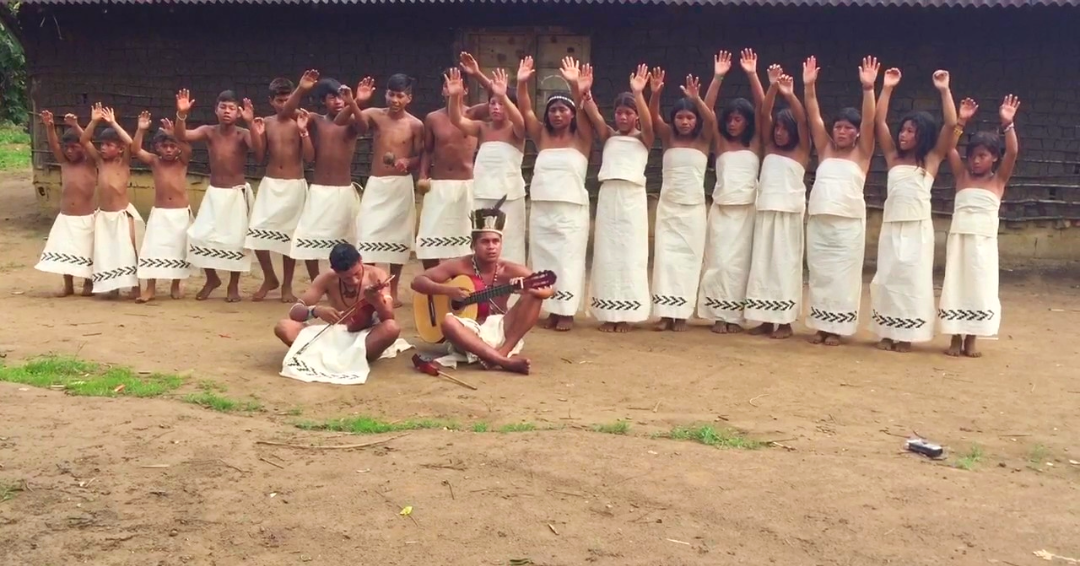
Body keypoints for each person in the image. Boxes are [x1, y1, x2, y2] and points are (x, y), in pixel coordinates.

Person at [870, 68, 958, 352]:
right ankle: (887, 332)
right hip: (891, 227)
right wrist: (886, 88)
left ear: (923, 136)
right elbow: (878, 121)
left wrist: (944, 90)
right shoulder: (892, 157)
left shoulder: (931, 159)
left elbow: (951, 124)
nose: (903, 135)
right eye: (903, 129)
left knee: (911, 280)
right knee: (888, 278)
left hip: (917, 229)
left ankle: (906, 335)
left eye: (911, 131)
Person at [410, 204, 552, 374]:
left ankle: (502, 353)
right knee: (448, 323)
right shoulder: (460, 265)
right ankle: (503, 361)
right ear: (473, 245)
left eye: (496, 241)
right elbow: (417, 282)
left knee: (534, 296)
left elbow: (549, 290)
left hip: (501, 330)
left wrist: (527, 290)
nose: (491, 246)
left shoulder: (509, 269)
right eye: (485, 241)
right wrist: (448, 291)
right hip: (468, 333)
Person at [802, 55, 879, 345]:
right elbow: (814, 116)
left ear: (857, 133)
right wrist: (809, 87)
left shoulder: (863, 152)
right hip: (820, 223)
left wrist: (868, 89)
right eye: (838, 127)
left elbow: (870, 120)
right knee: (820, 275)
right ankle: (821, 326)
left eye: (848, 128)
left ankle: (837, 329)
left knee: (843, 277)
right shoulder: (824, 148)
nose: (842, 131)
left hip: (848, 227)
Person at [517, 56, 595, 331]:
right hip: (542, 209)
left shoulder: (582, 138)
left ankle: (566, 313)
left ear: (572, 114)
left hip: (570, 211)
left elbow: (585, 111)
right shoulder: (541, 136)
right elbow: (526, 110)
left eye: (563, 110)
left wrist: (575, 85)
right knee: (543, 260)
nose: (557, 114)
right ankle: (550, 308)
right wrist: (521, 83)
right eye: (552, 110)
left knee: (568, 260)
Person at [939, 95, 1019, 358]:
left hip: (983, 244)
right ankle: (955, 336)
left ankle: (971, 338)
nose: (975, 161)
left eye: (982, 156)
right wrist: (961, 122)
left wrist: (1008, 124)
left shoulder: (998, 180)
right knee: (957, 285)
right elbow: (950, 149)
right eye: (972, 156)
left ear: (994, 158)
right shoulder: (962, 175)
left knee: (979, 287)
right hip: (960, 242)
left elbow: (1013, 152)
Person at [580, 64, 654, 332]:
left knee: (630, 255)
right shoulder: (608, 135)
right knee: (607, 255)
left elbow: (649, 122)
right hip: (609, 199)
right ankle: (608, 313)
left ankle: (626, 316)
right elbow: (594, 114)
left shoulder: (644, 138)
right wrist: (585, 93)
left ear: (636, 116)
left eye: (628, 113)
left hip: (632, 200)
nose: (622, 117)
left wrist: (639, 93)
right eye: (619, 112)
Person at [340, 73, 425, 306]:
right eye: (391, 94)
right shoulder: (375, 115)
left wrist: (408, 161)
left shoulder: (415, 125)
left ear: (409, 98)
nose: (394, 100)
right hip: (377, 185)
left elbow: (422, 156)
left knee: (398, 238)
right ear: (385, 94)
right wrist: (354, 101)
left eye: (400, 96)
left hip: (400, 187)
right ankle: (370, 288)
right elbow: (349, 123)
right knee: (368, 235)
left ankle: (392, 291)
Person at [698, 49, 766, 334]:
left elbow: (764, 109)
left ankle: (735, 316)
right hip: (722, 211)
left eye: (739, 119)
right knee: (719, 262)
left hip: (747, 211)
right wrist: (717, 78)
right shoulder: (720, 142)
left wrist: (752, 74)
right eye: (730, 119)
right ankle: (717, 314)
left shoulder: (756, 143)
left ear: (747, 122)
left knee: (739, 265)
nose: (733, 123)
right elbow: (707, 113)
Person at [744, 67, 811, 340]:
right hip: (765, 213)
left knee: (785, 267)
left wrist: (791, 95)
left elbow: (804, 120)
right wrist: (771, 87)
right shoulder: (769, 148)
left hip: (788, 215)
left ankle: (784, 323)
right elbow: (763, 113)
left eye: (785, 129)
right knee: (762, 265)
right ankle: (764, 319)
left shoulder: (802, 150)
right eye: (778, 128)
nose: (780, 133)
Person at [276, 244, 405, 385]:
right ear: (335, 271)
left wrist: (377, 300)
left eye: (357, 274)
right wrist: (315, 311)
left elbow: (388, 317)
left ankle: (341, 357)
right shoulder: (326, 278)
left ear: (360, 260)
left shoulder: (376, 275)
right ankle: (338, 357)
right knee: (284, 327)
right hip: (337, 332)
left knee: (391, 328)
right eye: (347, 278)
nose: (354, 280)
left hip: (365, 335)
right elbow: (294, 311)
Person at [648, 67, 716, 331]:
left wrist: (697, 98)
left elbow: (711, 120)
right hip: (668, 208)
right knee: (666, 259)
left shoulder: (704, 139)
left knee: (688, 260)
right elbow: (653, 117)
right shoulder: (667, 136)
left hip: (693, 210)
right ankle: (666, 314)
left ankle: (681, 315)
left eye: (689, 117)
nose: (684, 122)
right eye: (679, 117)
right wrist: (655, 93)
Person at [175, 89, 255, 302]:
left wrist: (250, 123)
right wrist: (181, 114)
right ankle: (212, 279)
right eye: (223, 107)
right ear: (216, 110)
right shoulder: (209, 131)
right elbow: (182, 136)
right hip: (214, 193)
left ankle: (233, 285)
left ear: (238, 112)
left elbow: (258, 149)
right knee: (198, 237)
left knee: (236, 242)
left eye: (232, 108)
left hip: (235, 194)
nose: (227, 111)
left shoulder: (242, 134)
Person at [246, 74, 317, 302]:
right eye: (279, 100)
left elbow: (310, 157)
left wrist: (304, 132)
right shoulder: (266, 122)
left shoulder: (302, 120)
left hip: (294, 184)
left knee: (289, 238)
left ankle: (287, 285)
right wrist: (254, 130)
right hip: (271, 184)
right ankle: (269, 277)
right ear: (271, 101)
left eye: (288, 99)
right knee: (256, 232)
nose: (284, 104)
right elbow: (259, 156)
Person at [416, 53, 491, 269]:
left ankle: (464, 280)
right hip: (438, 185)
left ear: (465, 90)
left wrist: (477, 73)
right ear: (442, 90)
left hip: (467, 185)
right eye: (447, 84)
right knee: (429, 238)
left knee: (466, 241)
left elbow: (497, 96)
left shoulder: (474, 114)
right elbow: (427, 150)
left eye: (457, 84)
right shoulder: (432, 118)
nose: (451, 88)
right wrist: (423, 175)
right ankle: (432, 280)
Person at [288, 73, 364, 283]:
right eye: (332, 97)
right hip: (319, 191)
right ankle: (317, 282)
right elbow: (288, 111)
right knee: (308, 238)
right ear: (323, 101)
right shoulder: (315, 120)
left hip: (343, 192)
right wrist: (301, 89)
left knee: (347, 242)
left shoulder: (351, 122)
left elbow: (364, 127)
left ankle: (346, 282)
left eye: (340, 97)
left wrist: (354, 102)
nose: (338, 101)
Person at [450, 63, 528, 266]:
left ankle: (510, 285)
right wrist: (455, 96)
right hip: (482, 194)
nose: (496, 108)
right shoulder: (482, 128)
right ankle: (481, 282)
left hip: (509, 196)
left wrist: (502, 95)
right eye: (492, 103)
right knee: (482, 241)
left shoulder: (516, 131)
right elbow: (457, 120)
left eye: (501, 104)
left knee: (510, 244)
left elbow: (520, 121)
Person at [80, 103, 145, 298]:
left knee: (128, 249)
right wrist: (94, 122)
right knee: (106, 251)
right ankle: (112, 285)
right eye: (102, 144)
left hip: (122, 215)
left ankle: (135, 286)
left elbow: (133, 145)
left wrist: (114, 123)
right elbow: (84, 140)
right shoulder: (100, 162)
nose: (103, 148)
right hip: (104, 216)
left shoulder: (123, 162)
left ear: (119, 149)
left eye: (109, 145)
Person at [129, 111, 193, 302]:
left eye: (173, 146)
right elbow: (135, 150)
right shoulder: (154, 161)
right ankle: (150, 288)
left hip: (180, 214)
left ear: (178, 148)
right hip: (160, 214)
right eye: (165, 146)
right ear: (157, 147)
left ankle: (175, 284)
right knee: (153, 249)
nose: (169, 150)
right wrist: (141, 130)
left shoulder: (182, 162)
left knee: (178, 250)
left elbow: (187, 149)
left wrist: (175, 134)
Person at [34, 111, 96, 297]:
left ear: (83, 147)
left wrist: (76, 126)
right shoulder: (65, 164)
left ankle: (88, 283)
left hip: (86, 218)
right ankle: (68, 285)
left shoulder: (91, 163)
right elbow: (54, 145)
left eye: (74, 147)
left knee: (87, 252)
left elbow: (87, 141)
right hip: (66, 217)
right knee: (65, 251)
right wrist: (50, 126)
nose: (69, 151)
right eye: (67, 148)